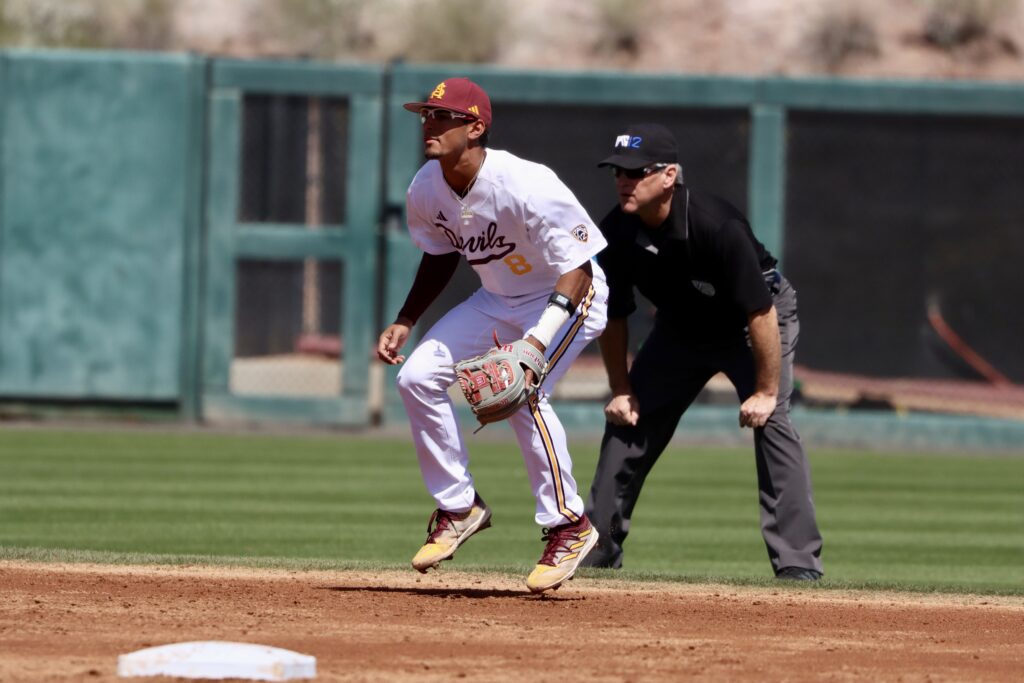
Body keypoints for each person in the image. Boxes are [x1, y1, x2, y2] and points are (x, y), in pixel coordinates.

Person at [377, 77, 609, 593]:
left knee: (523, 391)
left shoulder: (526, 184)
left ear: (476, 127)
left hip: (567, 298)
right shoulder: (426, 187)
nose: (429, 124)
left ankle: (569, 525)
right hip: (497, 300)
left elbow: (580, 269)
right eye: (426, 116)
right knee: (416, 378)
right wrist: (407, 318)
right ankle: (459, 507)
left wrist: (534, 344)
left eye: (442, 117)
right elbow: (439, 255)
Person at [581, 123, 824, 580]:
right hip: (681, 329)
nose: (623, 181)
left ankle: (797, 564)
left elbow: (761, 311)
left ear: (669, 175)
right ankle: (598, 550)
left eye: (636, 172)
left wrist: (766, 392)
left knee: (772, 424)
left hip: (751, 325)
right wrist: (621, 387)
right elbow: (612, 313)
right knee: (629, 421)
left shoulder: (716, 225)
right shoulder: (615, 230)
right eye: (617, 171)